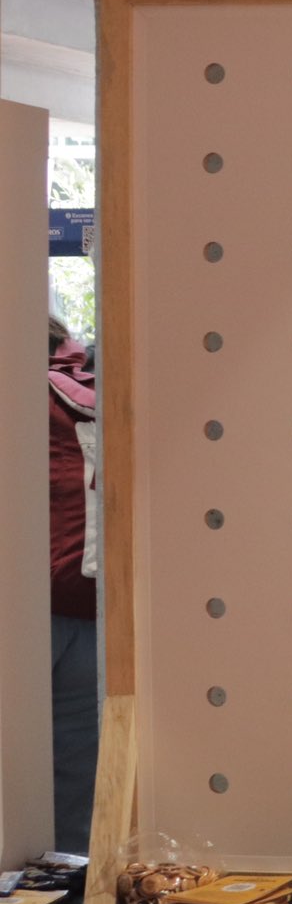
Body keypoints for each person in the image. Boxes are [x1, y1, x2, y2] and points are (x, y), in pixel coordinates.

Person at [48, 313, 98, 855]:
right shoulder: (86, 394)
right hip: (89, 609)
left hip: (21, 613)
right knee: (76, 777)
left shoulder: (22, 396)